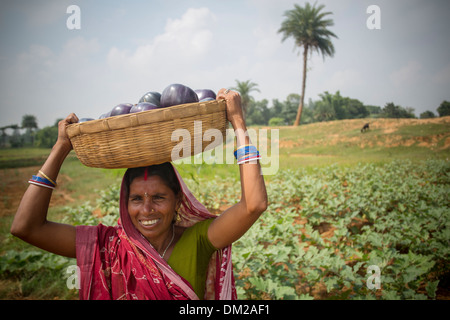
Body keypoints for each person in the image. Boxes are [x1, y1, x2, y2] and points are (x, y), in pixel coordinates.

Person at [10, 88, 268, 300]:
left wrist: (238, 123)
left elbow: (253, 205)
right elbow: (26, 227)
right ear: (125, 202)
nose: (147, 210)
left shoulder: (197, 240)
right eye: (136, 199)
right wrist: (60, 148)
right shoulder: (108, 246)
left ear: (178, 199)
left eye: (158, 197)